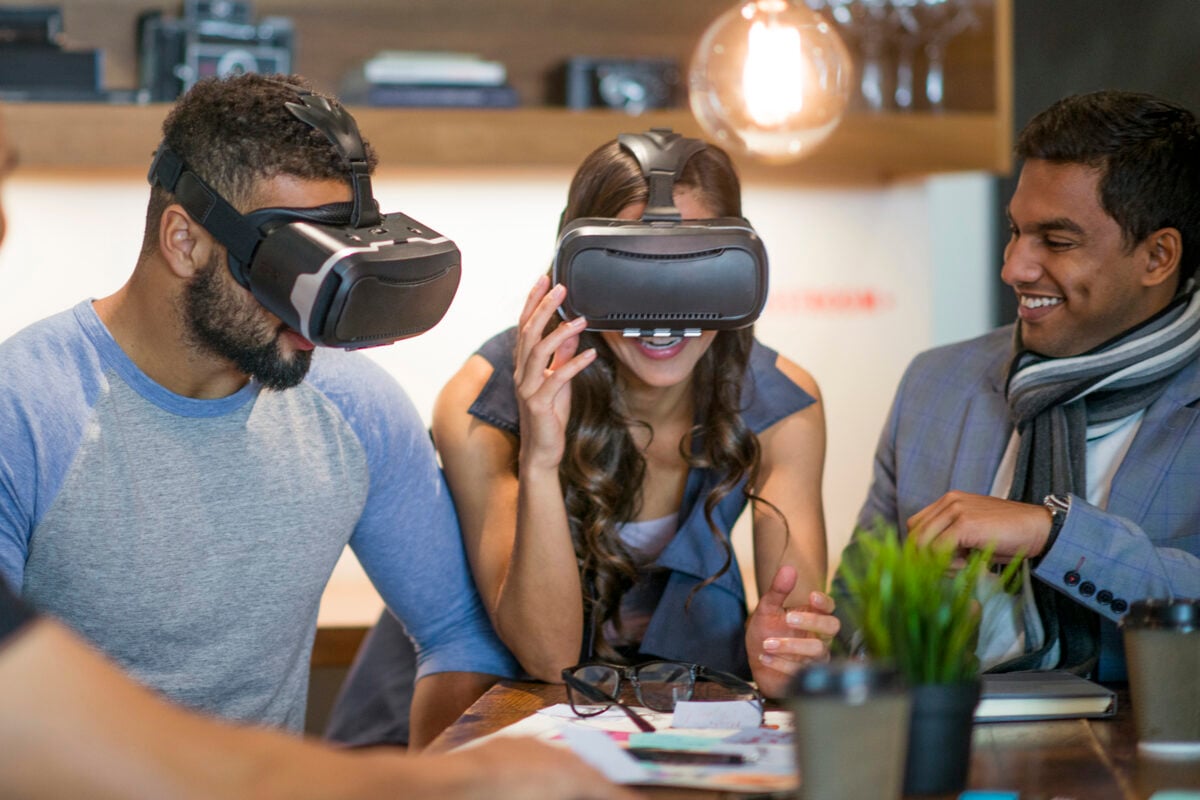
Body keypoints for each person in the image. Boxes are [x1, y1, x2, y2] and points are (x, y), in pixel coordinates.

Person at [0, 109, 630, 800]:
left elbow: (457, 633)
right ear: (184, 239)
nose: (319, 315)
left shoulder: (354, 408)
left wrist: (446, 771)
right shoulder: (26, 409)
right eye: (294, 269)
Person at [330, 131, 838, 745]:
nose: (661, 316)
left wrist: (785, 656)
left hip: (651, 728)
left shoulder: (783, 406)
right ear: (574, 271)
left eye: (693, 270)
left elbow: (797, 631)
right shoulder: (480, 405)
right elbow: (548, 656)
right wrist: (542, 457)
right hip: (469, 720)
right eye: (627, 274)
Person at [837, 90, 1200, 681]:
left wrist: (1052, 534)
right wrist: (836, 644)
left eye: (1056, 242)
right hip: (949, 751)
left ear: (1158, 256)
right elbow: (856, 603)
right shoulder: (934, 384)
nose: (1014, 267)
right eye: (1015, 232)